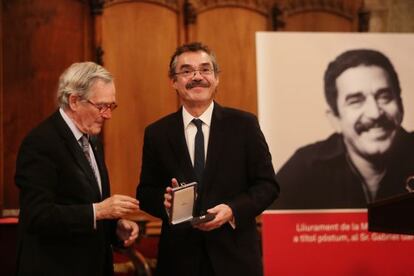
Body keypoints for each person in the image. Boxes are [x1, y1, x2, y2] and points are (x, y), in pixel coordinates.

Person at [136, 42, 279, 276]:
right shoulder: (157, 133)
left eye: (205, 69)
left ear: (216, 78)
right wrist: (165, 203)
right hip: (179, 261)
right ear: (173, 81)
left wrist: (232, 210)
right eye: (186, 71)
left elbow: (268, 185)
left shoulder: (244, 125)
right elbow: (145, 192)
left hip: (235, 260)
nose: (197, 77)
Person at [15, 62, 140, 275]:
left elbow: (83, 201)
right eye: (101, 106)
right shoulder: (41, 142)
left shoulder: (91, 139)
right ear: (74, 101)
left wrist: (114, 228)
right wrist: (99, 211)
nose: (108, 115)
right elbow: (36, 215)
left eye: (111, 106)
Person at [271, 49, 414, 209]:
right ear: (335, 119)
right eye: (355, 101)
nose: (375, 113)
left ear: (401, 107)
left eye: (384, 97)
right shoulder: (306, 167)